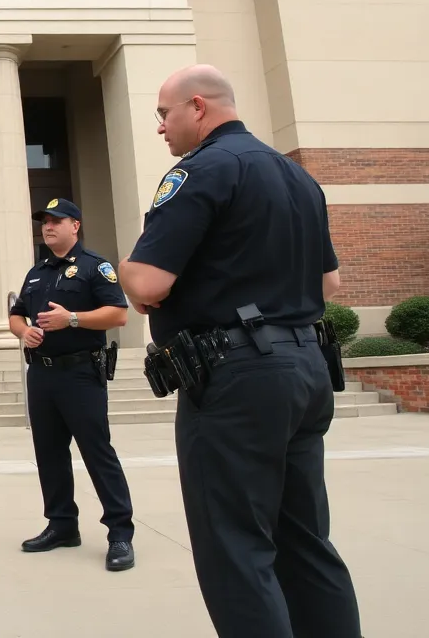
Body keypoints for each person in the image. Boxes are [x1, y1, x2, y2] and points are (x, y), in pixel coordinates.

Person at [117, 65, 361, 637]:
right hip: (305, 367)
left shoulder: (201, 171)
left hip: (236, 378)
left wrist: (127, 270)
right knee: (306, 544)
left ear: (197, 107)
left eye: (164, 114)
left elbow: (149, 284)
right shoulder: (297, 177)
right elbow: (330, 285)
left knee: (236, 550)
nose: (160, 128)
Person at [8, 198, 136, 572]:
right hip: (42, 374)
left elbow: (119, 314)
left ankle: (120, 534)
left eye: (56, 221)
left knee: (97, 453)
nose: (48, 227)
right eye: (44, 222)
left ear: (75, 225)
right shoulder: (38, 272)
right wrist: (24, 332)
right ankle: (62, 525)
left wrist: (73, 319)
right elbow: (16, 315)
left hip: (81, 375)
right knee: (49, 453)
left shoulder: (97, 268)